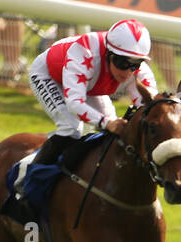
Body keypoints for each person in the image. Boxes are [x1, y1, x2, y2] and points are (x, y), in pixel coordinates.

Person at [26, 18, 158, 168]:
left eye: (135, 65)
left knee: (113, 128)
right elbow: (74, 104)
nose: (128, 71)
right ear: (109, 54)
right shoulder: (85, 52)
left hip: (88, 83)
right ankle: (27, 179)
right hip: (49, 75)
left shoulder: (139, 71)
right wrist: (107, 123)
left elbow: (151, 108)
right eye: (122, 63)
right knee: (71, 127)